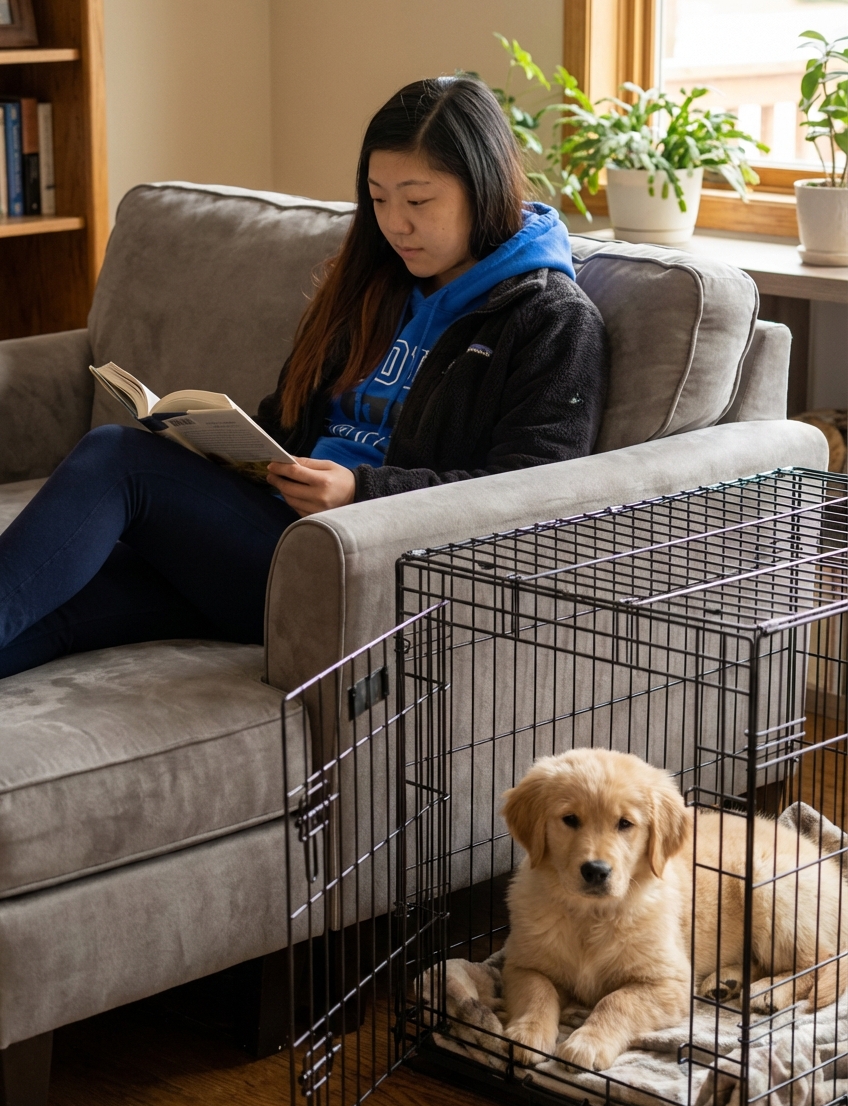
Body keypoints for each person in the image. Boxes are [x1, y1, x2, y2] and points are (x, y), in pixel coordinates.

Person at [0, 76, 608, 679]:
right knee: (63, 600)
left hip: (357, 562)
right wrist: (211, 446)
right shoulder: (372, 284)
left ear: (483, 190)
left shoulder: (549, 317)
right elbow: (288, 420)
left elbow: (536, 495)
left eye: (418, 201)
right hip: (269, 537)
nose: (395, 224)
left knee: (117, 458)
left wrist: (361, 491)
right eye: (378, 198)